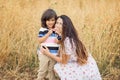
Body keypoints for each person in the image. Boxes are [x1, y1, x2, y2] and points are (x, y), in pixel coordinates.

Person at [41, 15, 102, 80]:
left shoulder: (67, 41)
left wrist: (48, 53)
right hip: (78, 61)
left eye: (60, 24)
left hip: (86, 67)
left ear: (65, 26)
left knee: (58, 67)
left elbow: (63, 61)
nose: (57, 25)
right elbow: (57, 41)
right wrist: (57, 33)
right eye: (57, 23)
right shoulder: (65, 35)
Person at [37, 9, 61, 80]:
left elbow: (58, 42)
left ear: (55, 20)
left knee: (51, 70)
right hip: (44, 53)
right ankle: (40, 78)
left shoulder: (56, 29)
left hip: (54, 54)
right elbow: (40, 40)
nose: (50, 22)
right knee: (43, 69)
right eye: (48, 20)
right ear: (45, 21)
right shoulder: (43, 29)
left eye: (52, 20)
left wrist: (59, 34)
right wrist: (48, 34)